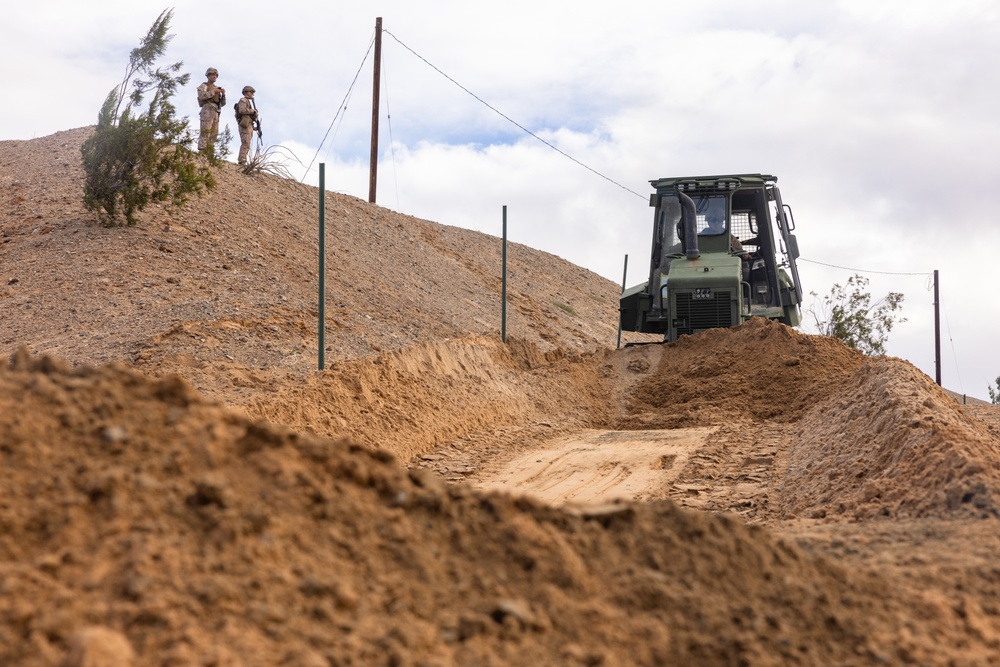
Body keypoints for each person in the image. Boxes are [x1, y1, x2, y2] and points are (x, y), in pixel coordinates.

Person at [196, 67, 226, 153]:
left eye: (216, 75)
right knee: (205, 131)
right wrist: (214, 91)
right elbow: (202, 96)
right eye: (212, 74)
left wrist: (223, 95)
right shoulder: (204, 86)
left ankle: (209, 152)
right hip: (207, 109)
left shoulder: (216, 88)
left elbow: (222, 103)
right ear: (208, 75)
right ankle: (202, 151)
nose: (214, 76)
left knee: (214, 133)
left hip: (215, 111)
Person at [235, 86, 258, 165]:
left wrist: (253, 127)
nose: (252, 94)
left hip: (248, 125)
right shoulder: (243, 100)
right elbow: (242, 110)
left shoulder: (248, 102)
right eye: (251, 92)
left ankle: (243, 159)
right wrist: (253, 111)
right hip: (244, 125)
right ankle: (242, 160)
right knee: (245, 143)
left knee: (247, 143)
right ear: (247, 92)